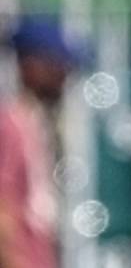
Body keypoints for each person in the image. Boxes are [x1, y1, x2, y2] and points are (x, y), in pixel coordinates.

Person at [0, 16, 82, 268]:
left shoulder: (34, 123)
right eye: (58, 64)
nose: (65, 75)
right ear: (31, 65)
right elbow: (3, 205)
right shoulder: (8, 126)